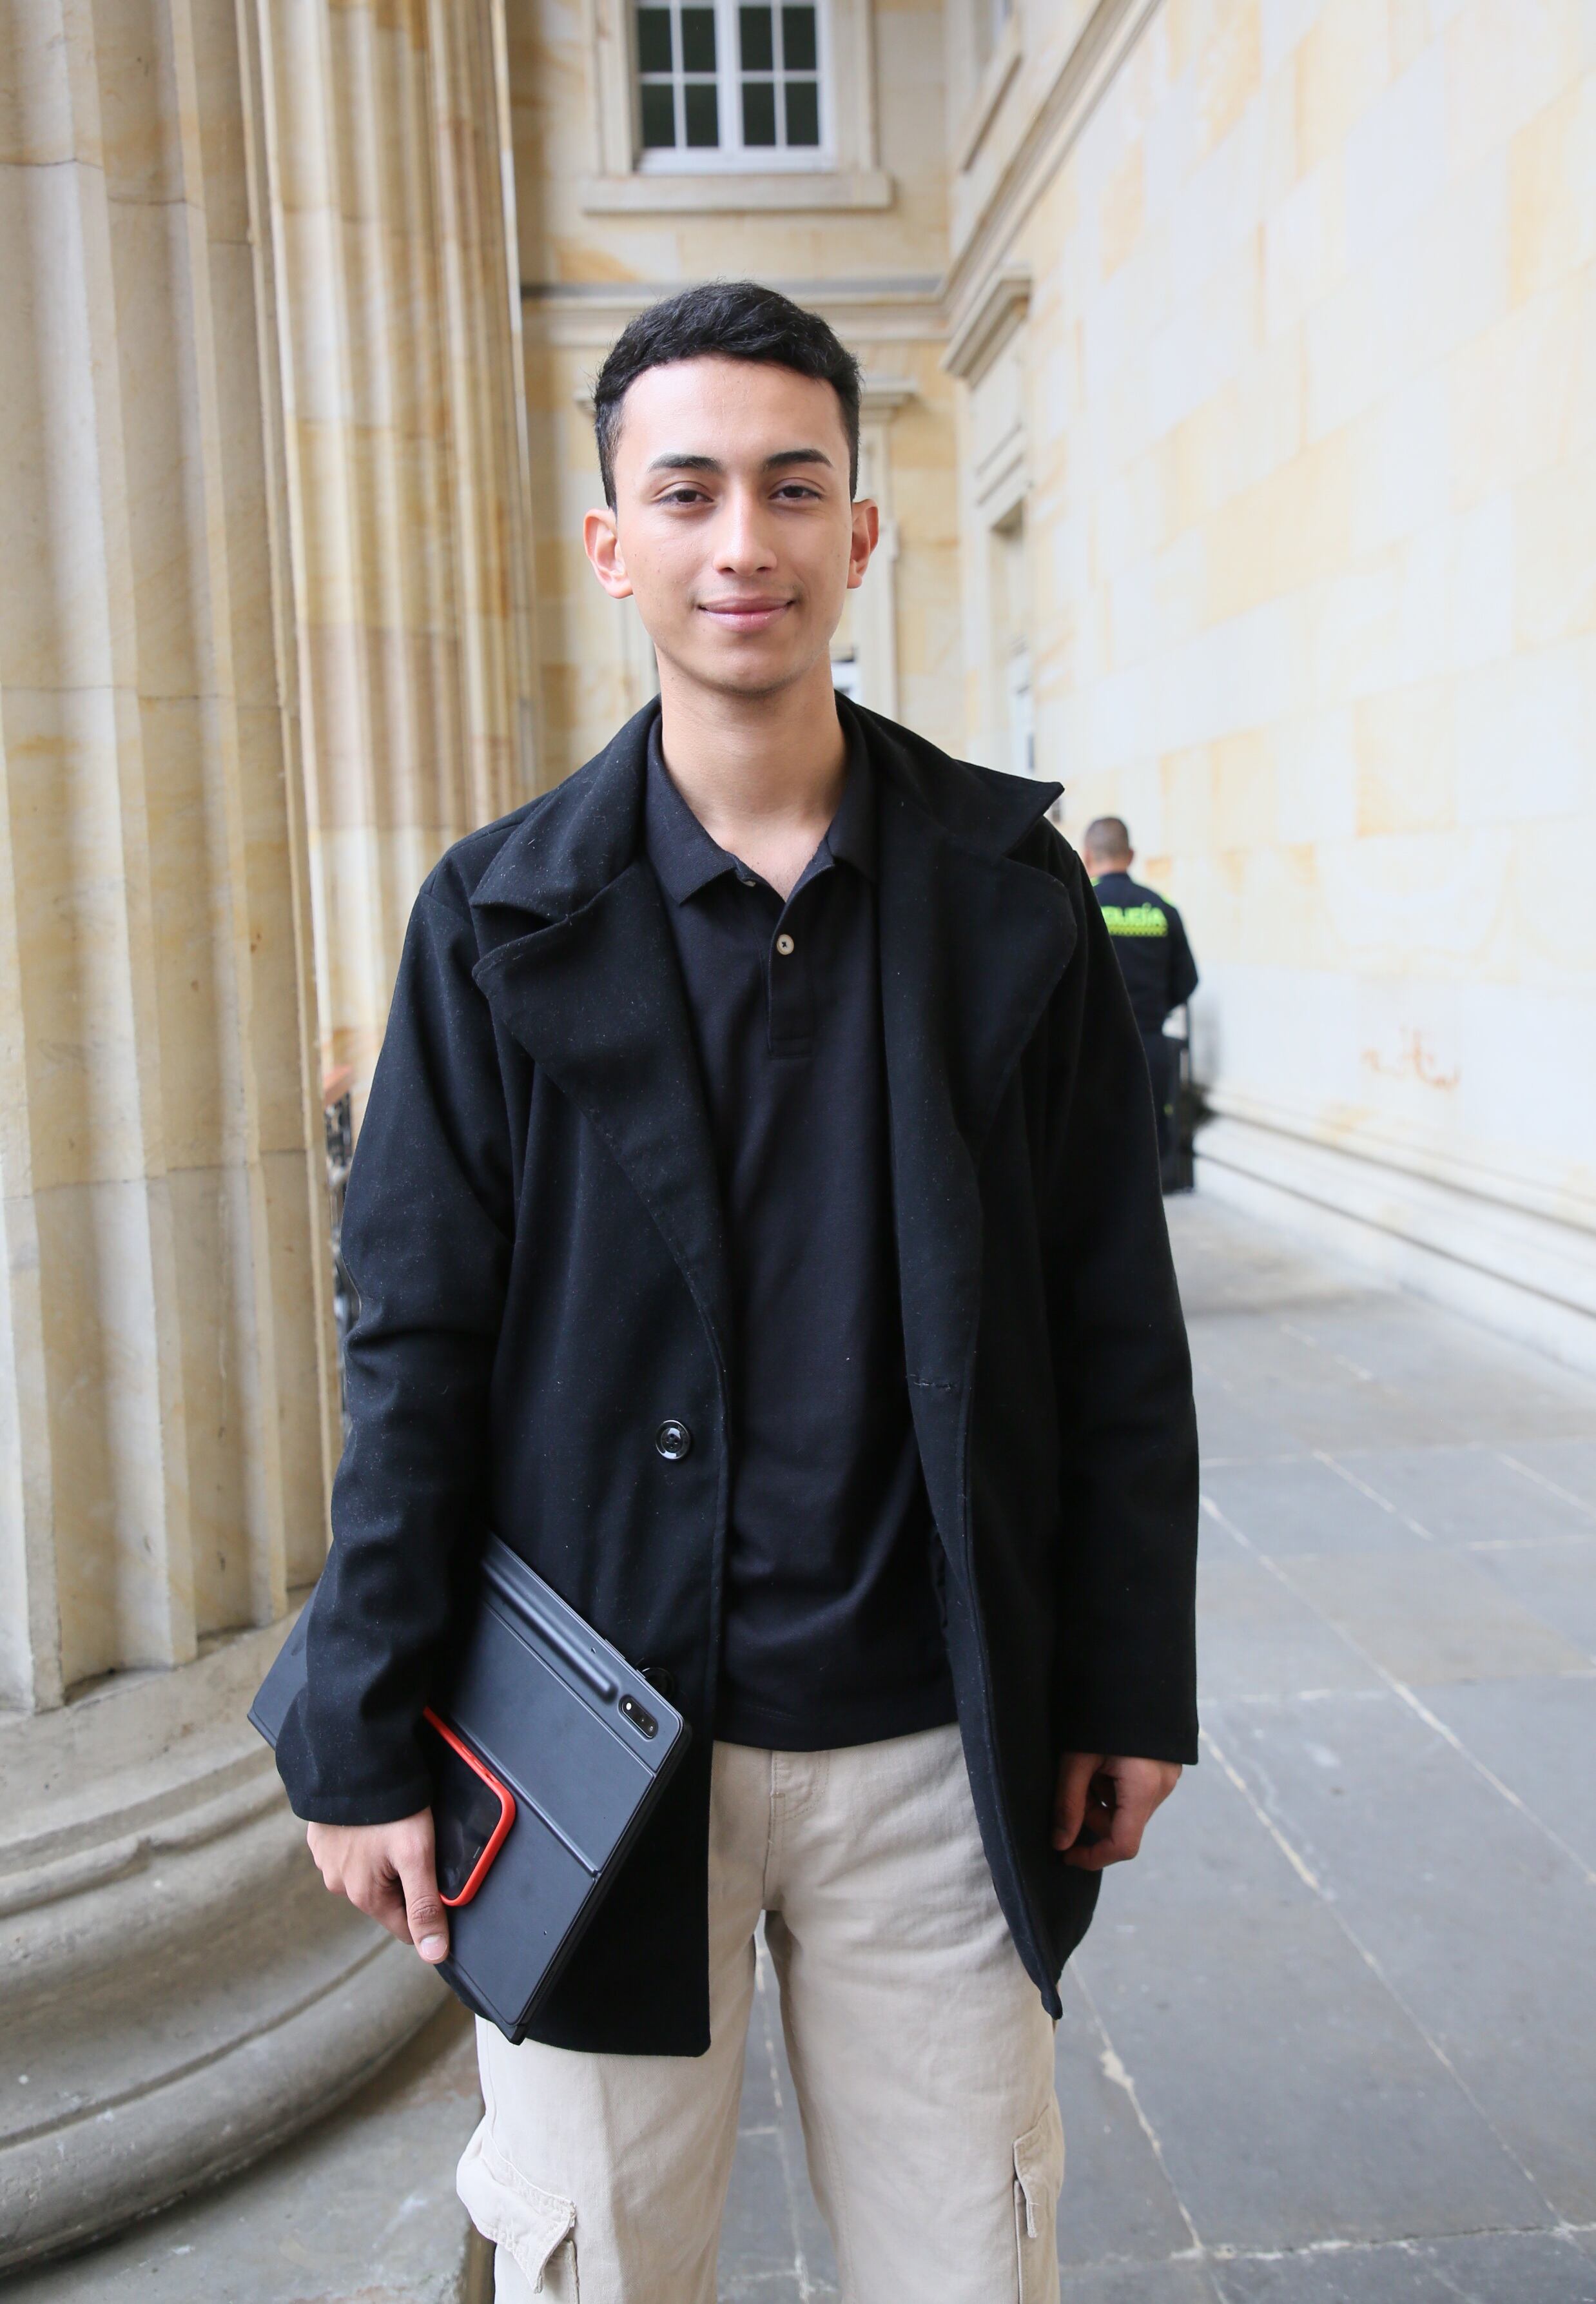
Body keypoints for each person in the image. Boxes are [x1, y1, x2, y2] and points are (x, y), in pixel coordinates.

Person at [278, 282, 1198, 2304]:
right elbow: (412, 1345)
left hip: (931, 1742)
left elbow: (1111, 1317)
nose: (742, 542)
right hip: (594, 1738)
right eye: (684, 491)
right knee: (591, 2269)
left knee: (971, 2266)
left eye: (793, 487)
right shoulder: (494, 918)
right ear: (610, 542)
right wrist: (361, 1723)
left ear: (861, 529)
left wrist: (1128, 1672)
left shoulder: (1011, 894)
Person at [1082, 818, 1199, 1191]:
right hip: (1149, 1043)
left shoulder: (1080, 903)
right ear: (1130, 855)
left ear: (1087, 857)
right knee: (1148, 1152)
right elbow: (1188, 980)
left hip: (1091, 1046)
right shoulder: (1161, 909)